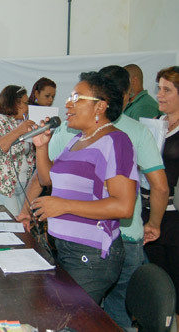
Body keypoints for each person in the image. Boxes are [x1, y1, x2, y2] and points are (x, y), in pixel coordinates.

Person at [30, 71, 139, 304]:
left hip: (90, 255)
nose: (68, 104)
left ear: (100, 107)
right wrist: (41, 148)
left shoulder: (116, 142)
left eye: (77, 97)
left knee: (68, 321)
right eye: (69, 97)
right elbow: (48, 179)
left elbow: (124, 206)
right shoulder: (77, 140)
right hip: (66, 249)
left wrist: (64, 206)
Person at [143, 66, 179, 322]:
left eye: (167, 90)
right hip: (150, 213)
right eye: (159, 88)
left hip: (175, 218)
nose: (160, 95)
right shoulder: (155, 124)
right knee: (158, 282)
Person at [0, 85, 36, 215]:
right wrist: (19, 131)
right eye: (25, 103)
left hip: (20, 185)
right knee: (10, 228)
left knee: (20, 224)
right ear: (14, 103)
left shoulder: (20, 123)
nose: (28, 108)